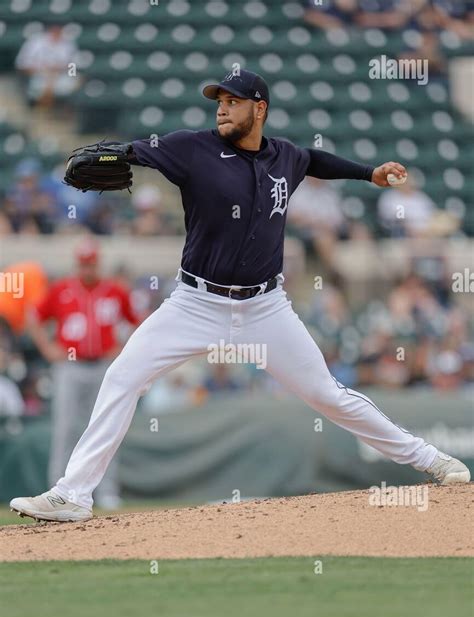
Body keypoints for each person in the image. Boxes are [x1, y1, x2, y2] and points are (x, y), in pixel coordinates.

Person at [10, 69, 470, 523]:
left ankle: (432, 460)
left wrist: (369, 173)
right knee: (122, 378)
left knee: (328, 396)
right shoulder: (193, 148)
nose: (222, 109)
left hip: (265, 308)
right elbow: (140, 152)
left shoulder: (285, 157)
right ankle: (73, 493)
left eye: (232, 101)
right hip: (195, 303)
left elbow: (313, 159)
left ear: (259, 108)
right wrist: (121, 157)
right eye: (219, 102)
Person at [25, 240, 140, 510]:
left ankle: (107, 492)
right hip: (70, 366)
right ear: (77, 263)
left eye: (91, 263)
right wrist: (47, 347)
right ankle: (58, 489)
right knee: (66, 428)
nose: (87, 268)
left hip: (103, 366)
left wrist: (124, 349)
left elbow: (138, 321)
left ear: (97, 263)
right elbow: (34, 316)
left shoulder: (114, 291)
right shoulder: (62, 289)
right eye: (83, 263)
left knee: (107, 427)